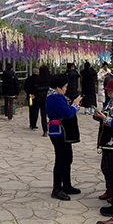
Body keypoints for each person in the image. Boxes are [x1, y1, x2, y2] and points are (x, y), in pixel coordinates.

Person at [46, 70, 82, 201]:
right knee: (61, 160)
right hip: (59, 132)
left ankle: (66, 184)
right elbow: (67, 113)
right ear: (58, 87)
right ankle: (57, 188)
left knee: (68, 158)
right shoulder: (54, 97)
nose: (66, 90)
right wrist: (76, 105)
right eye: (65, 87)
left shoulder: (56, 96)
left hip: (64, 132)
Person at [24, 66, 49, 134]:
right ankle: (46, 129)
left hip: (36, 97)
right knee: (44, 114)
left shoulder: (34, 79)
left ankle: (32, 124)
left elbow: (33, 88)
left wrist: (31, 94)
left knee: (33, 110)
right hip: (45, 98)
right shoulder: (49, 79)